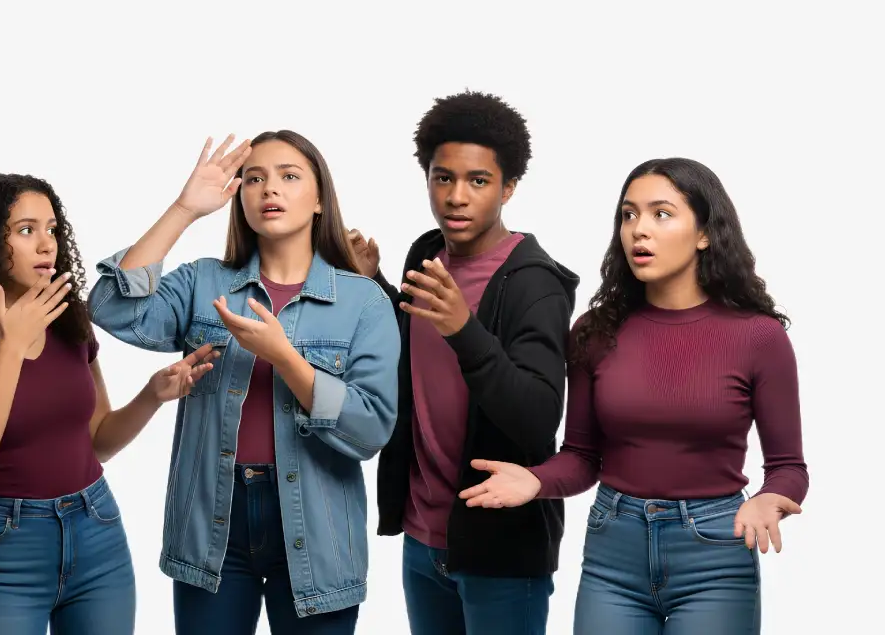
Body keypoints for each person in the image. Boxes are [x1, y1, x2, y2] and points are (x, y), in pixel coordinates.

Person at [460, 157, 808, 634]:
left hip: (716, 554)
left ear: (705, 233)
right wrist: (536, 481)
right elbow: (583, 456)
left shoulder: (759, 337)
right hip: (613, 554)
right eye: (628, 215)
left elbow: (789, 467)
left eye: (661, 214)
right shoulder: (594, 333)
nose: (638, 230)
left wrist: (770, 499)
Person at [88, 131, 399, 634]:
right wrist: (184, 209)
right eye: (254, 179)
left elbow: (371, 430)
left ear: (320, 199)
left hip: (318, 533)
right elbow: (111, 307)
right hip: (212, 523)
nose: (268, 189)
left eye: (289, 176)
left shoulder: (364, 302)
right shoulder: (203, 283)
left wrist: (285, 359)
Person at [0, 172, 216, 635]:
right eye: (26, 230)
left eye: (51, 228)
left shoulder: (70, 320)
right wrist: (10, 349)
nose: (47, 244)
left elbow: (97, 441)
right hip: (6, 546)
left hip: (97, 529)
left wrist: (152, 396)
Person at [347, 90, 579, 634]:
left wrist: (463, 330)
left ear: (508, 187)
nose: (456, 196)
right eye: (442, 177)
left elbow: (538, 419)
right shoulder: (425, 255)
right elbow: (411, 352)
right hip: (422, 536)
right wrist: (374, 284)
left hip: (502, 550)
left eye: (478, 181)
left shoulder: (535, 284)